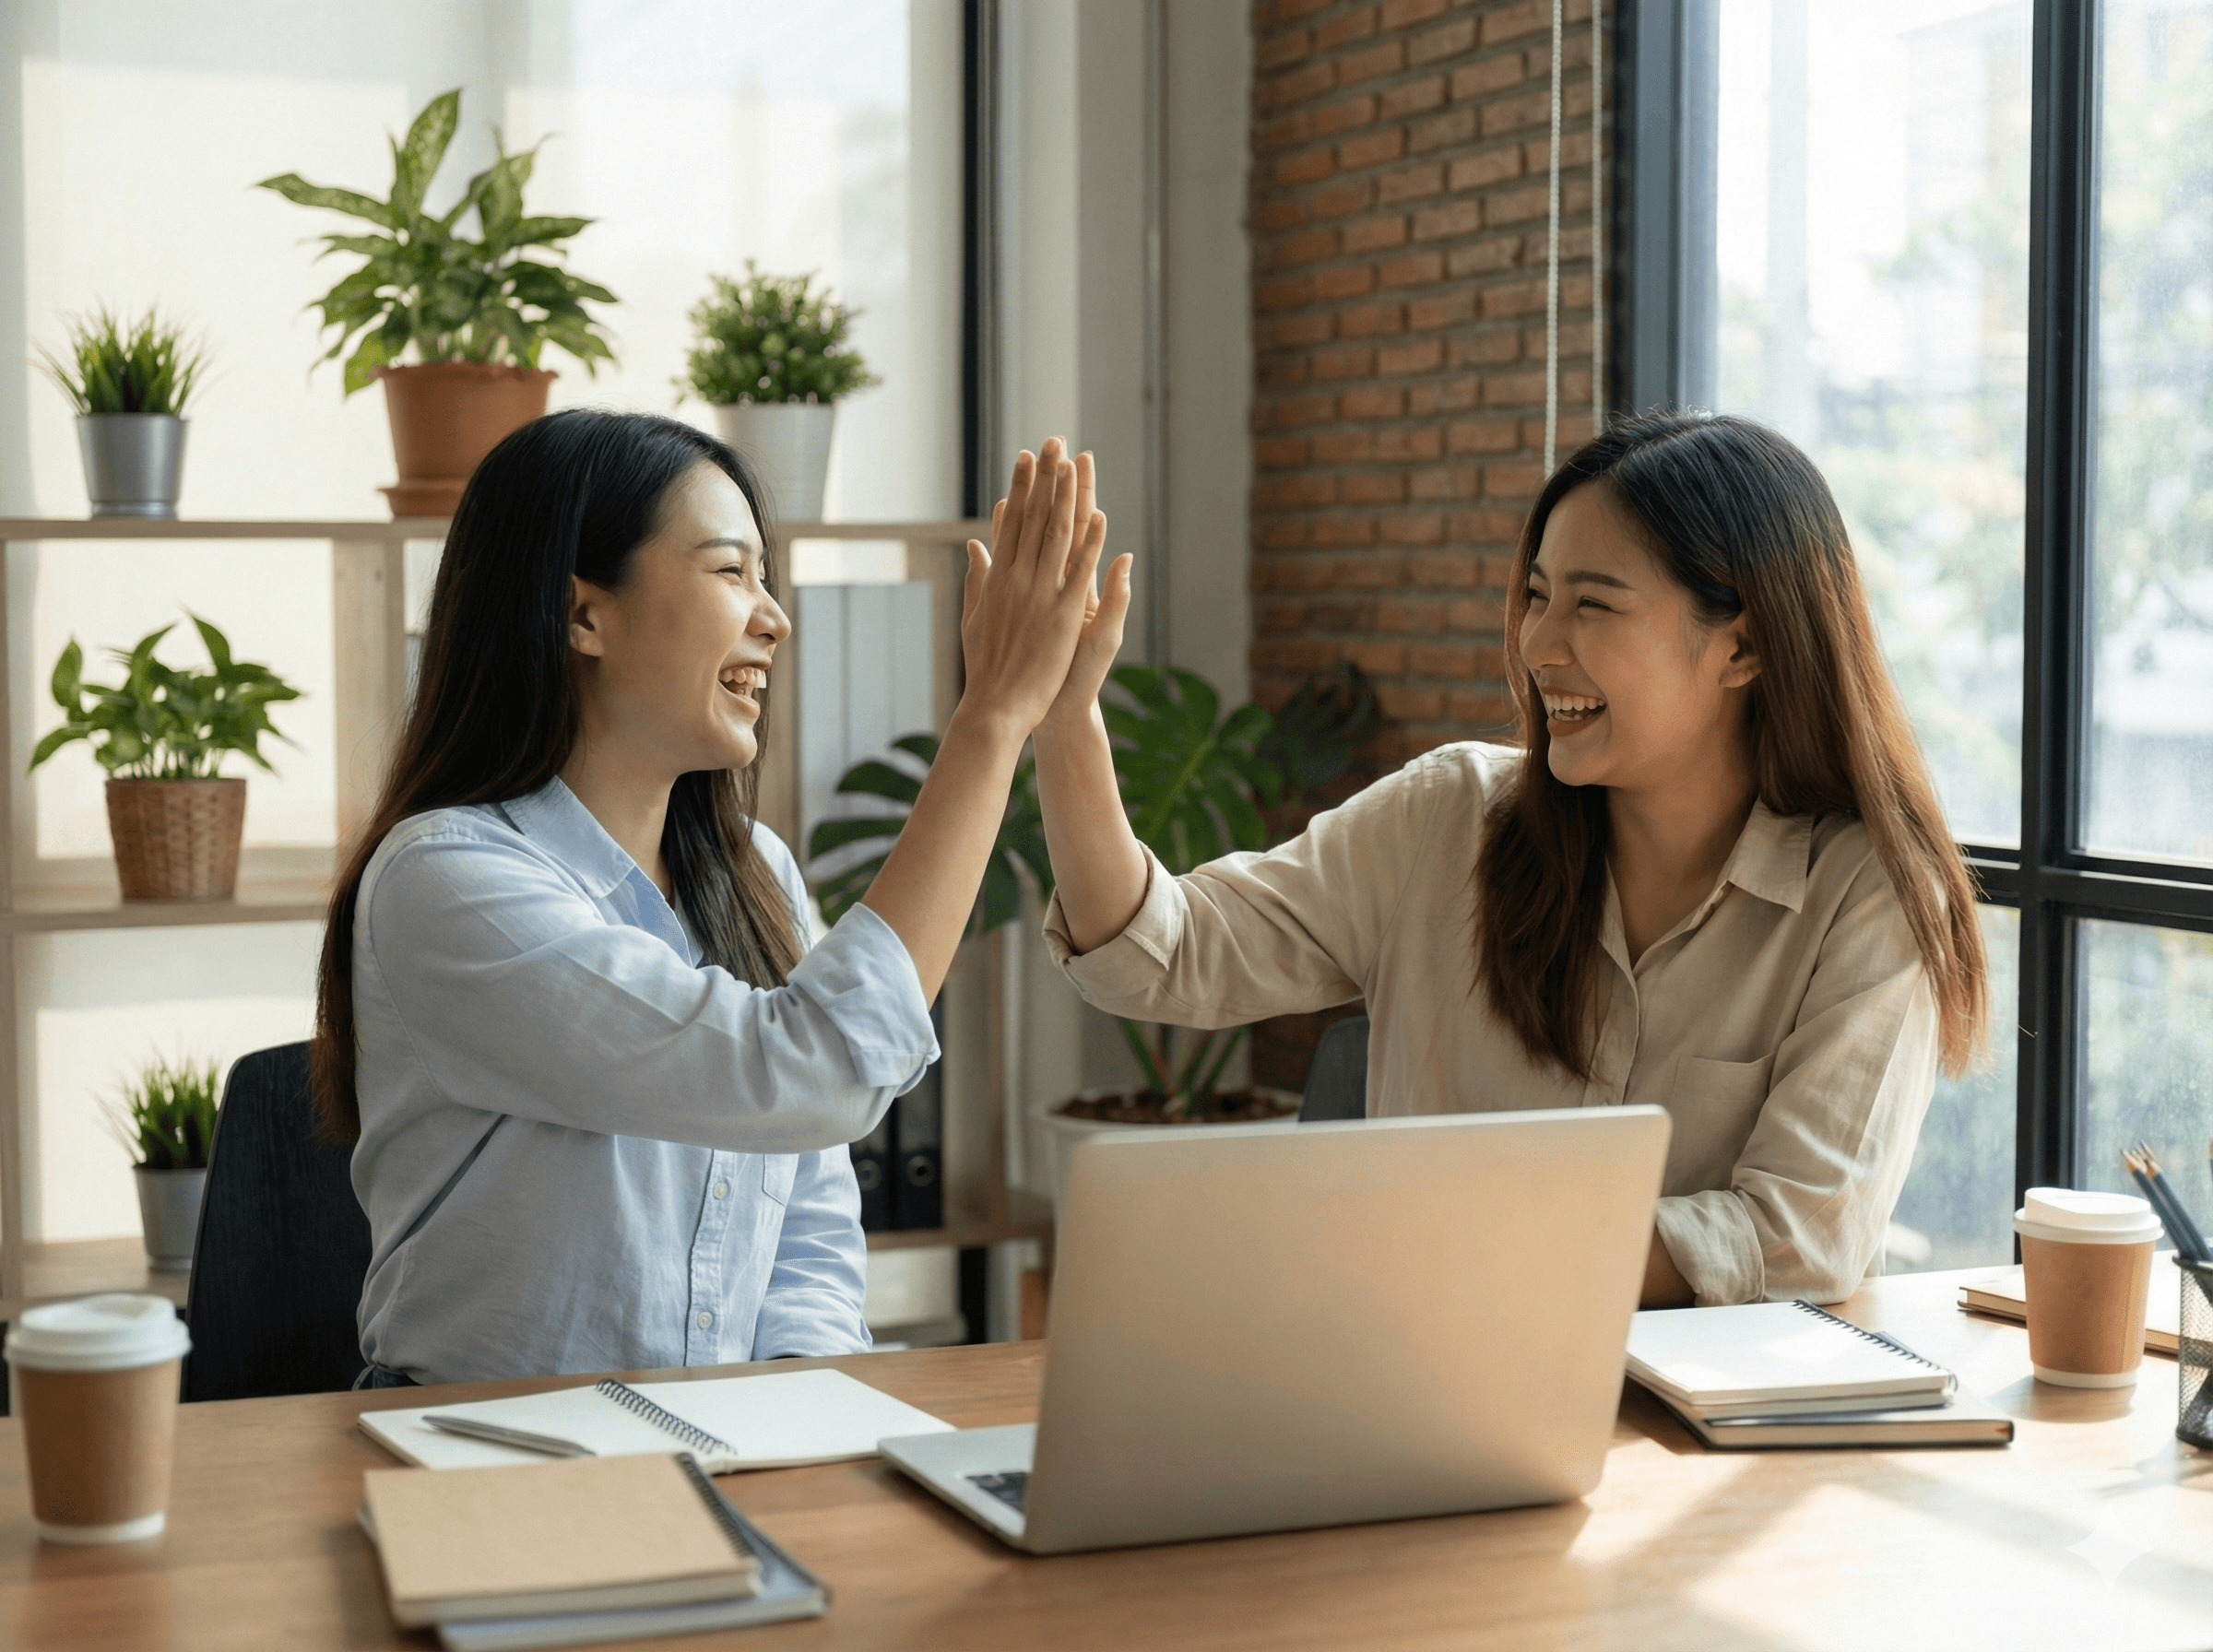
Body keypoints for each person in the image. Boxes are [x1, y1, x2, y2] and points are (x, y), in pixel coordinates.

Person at [1033, 409, 1987, 1307]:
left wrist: (1442, 1243)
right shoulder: (1446, 818)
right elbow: (1161, 955)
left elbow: (1799, 1239)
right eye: (1536, 595)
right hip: (1411, 1399)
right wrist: (1064, 719)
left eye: (1592, 605)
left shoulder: (1869, 895)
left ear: (1743, 647)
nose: (1537, 642)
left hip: (1690, 1451)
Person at [311, 411, 1106, 1384]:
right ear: (582, 615)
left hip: (726, 1439)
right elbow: (811, 1071)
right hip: (499, 1459)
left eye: (766, 579)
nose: (774, 616)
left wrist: (806, 1424)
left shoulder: (755, 872)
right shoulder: (447, 882)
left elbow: (810, 1227)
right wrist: (991, 719)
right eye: (732, 572)